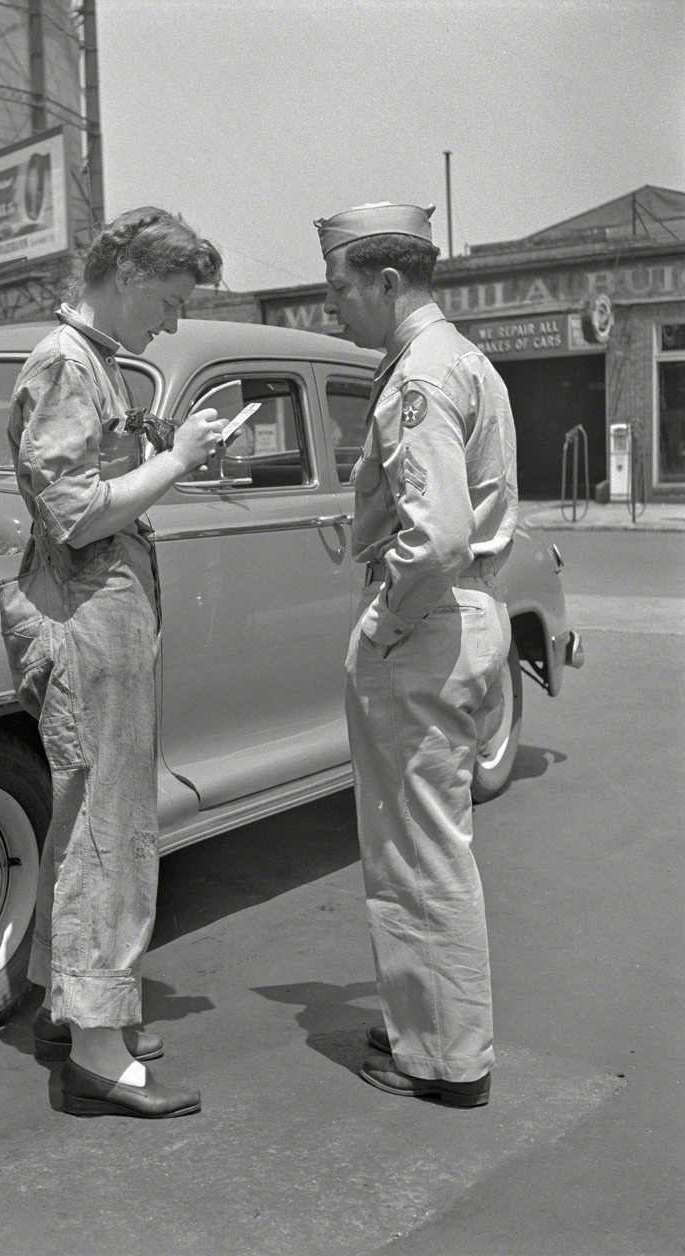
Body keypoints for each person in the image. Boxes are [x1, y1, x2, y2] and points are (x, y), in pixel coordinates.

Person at [0, 207, 225, 1118]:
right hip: (87, 611)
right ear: (127, 275)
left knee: (86, 812)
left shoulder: (88, 359)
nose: (170, 323)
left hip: (95, 608)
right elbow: (75, 512)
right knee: (112, 823)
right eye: (168, 302)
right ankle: (97, 1053)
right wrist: (175, 461)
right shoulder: (64, 362)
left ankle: (74, 1002)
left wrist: (156, 441)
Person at [314, 201, 518, 1107]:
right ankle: (428, 1027)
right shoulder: (463, 358)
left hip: (427, 628)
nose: (332, 310)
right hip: (469, 615)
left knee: (417, 857)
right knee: (429, 848)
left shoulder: (417, 381)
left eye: (340, 289)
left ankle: (444, 1061)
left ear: (388, 282)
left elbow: (433, 540)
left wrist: (383, 622)